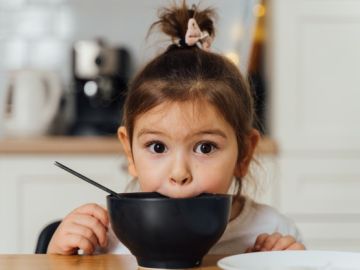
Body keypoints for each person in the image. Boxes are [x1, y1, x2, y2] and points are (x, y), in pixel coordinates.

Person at [47, 1, 305, 256]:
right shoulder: (107, 237)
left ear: (244, 154)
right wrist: (56, 255)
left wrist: (293, 263)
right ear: (129, 152)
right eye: (157, 147)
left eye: (205, 147)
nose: (179, 173)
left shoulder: (273, 231)